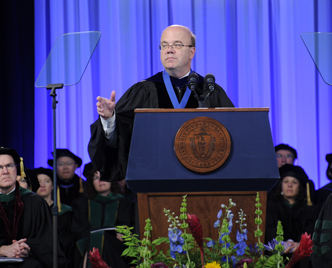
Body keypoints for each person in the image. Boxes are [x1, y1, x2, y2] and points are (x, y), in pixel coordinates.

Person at [88, 25, 234, 181]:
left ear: (192, 52)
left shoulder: (209, 90)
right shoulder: (143, 90)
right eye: (164, 45)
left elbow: (233, 135)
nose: (169, 50)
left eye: (177, 44)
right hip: (153, 181)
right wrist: (110, 119)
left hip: (204, 179)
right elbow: (121, 141)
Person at [72, 163, 133, 268]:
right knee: (93, 240)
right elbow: (79, 229)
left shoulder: (123, 203)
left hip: (114, 246)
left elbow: (125, 227)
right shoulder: (82, 203)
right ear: (91, 183)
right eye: (96, 178)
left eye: (104, 177)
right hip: (87, 243)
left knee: (106, 240)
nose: (100, 181)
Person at [266, 164, 319, 268]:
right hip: (276, 254)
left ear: (300, 187)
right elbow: (269, 231)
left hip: (302, 256)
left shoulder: (309, 209)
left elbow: (311, 231)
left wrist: (300, 244)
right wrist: (281, 245)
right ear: (280, 185)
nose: (289, 185)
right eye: (286, 182)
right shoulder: (270, 207)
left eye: (294, 182)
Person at [34, 167, 75, 268]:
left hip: (59, 254)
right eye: (38, 182)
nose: (42, 185)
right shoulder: (30, 212)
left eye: (47, 181)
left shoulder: (65, 212)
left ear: (52, 186)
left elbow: (68, 240)